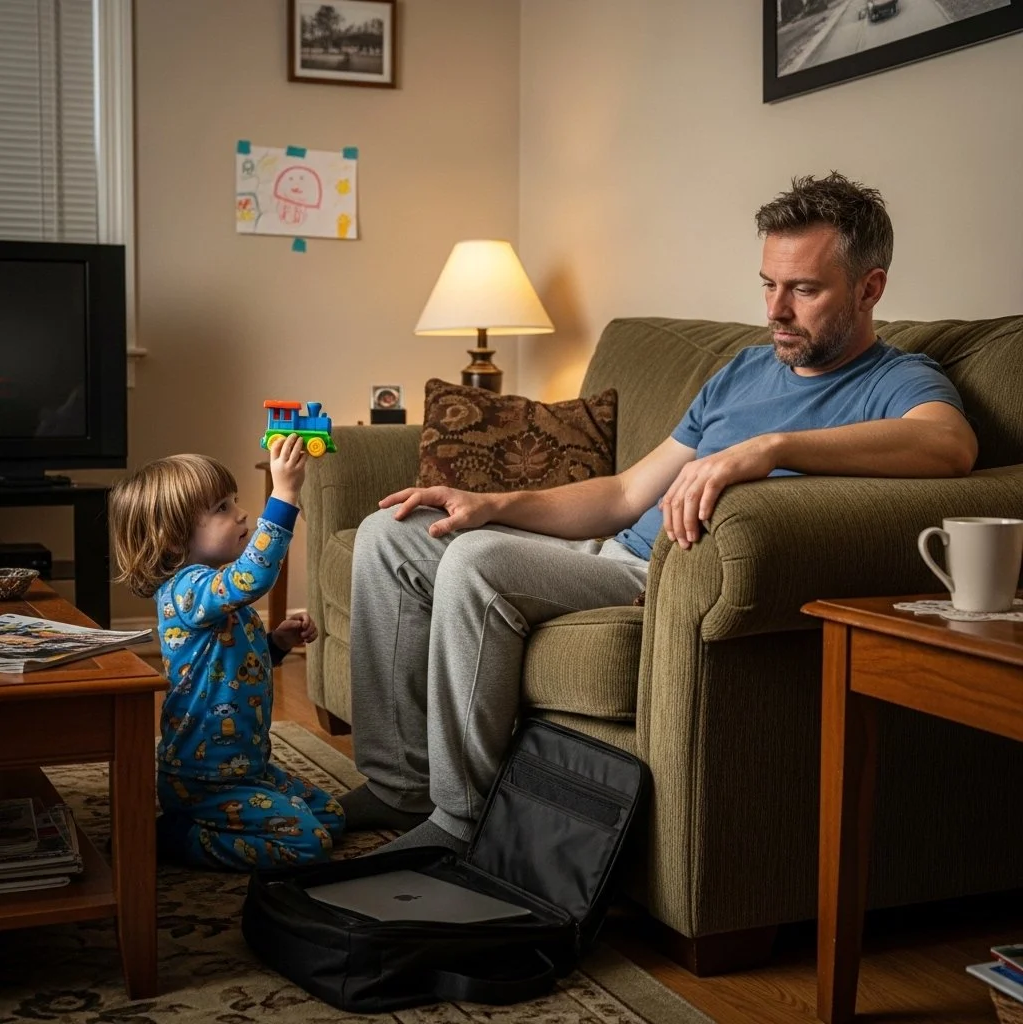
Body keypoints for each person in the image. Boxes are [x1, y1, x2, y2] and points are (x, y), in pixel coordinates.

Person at [339, 172, 978, 857]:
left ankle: (458, 824)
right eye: (768, 283)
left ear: (869, 288)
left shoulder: (897, 379)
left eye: (805, 289)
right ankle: (399, 783)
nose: (777, 310)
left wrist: (768, 449)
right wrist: (491, 505)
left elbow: (950, 444)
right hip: (606, 550)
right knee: (390, 535)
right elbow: (622, 495)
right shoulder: (741, 370)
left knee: (475, 561)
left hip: (657, 578)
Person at [109, 435, 345, 870]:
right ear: (173, 539)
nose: (240, 514)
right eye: (221, 508)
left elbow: (231, 665)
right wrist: (285, 495)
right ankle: (176, 837)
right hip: (204, 778)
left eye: (233, 501)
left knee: (332, 816)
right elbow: (252, 577)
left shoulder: (212, 591)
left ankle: (206, 824)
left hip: (247, 769)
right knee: (310, 845)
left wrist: (276, 644)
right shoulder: (186, 590)